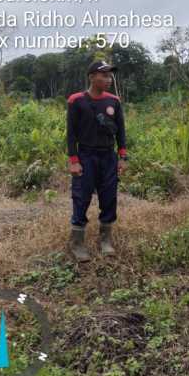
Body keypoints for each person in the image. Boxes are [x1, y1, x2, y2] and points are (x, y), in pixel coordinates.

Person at [66, 60, 128, 262]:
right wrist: (74, 160)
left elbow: (121, 131)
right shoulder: (76, 101)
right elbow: (71, 134)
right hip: (85, 156)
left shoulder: (114, 101)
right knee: (81, 197)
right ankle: (77, 243)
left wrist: (122, 157)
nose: (108, 79)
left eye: (110, 76)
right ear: (92, 77)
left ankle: (105, 240)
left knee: (109, 197)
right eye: (104, 75)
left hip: (108, 157)